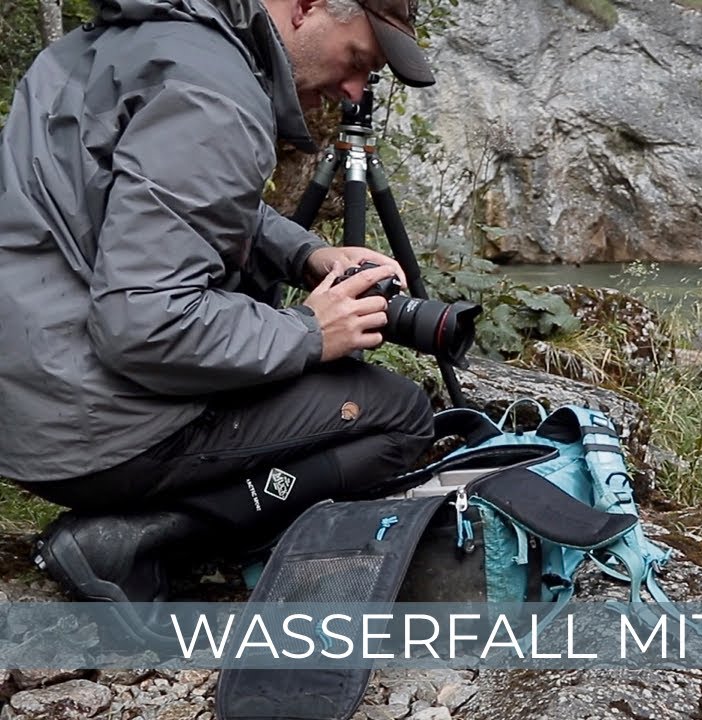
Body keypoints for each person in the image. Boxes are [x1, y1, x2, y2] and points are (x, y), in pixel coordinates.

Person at [0, 0, 441, 604]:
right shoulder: (218, 92)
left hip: (27, 399)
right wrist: (310, 332)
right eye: (358, 59)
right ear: (308, 7)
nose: (352, 90)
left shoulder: (136, 39)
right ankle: (134, 540)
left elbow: (158, 192)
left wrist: (307, 254)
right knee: (400, 416)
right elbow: (146, 324)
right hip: (94, 429)